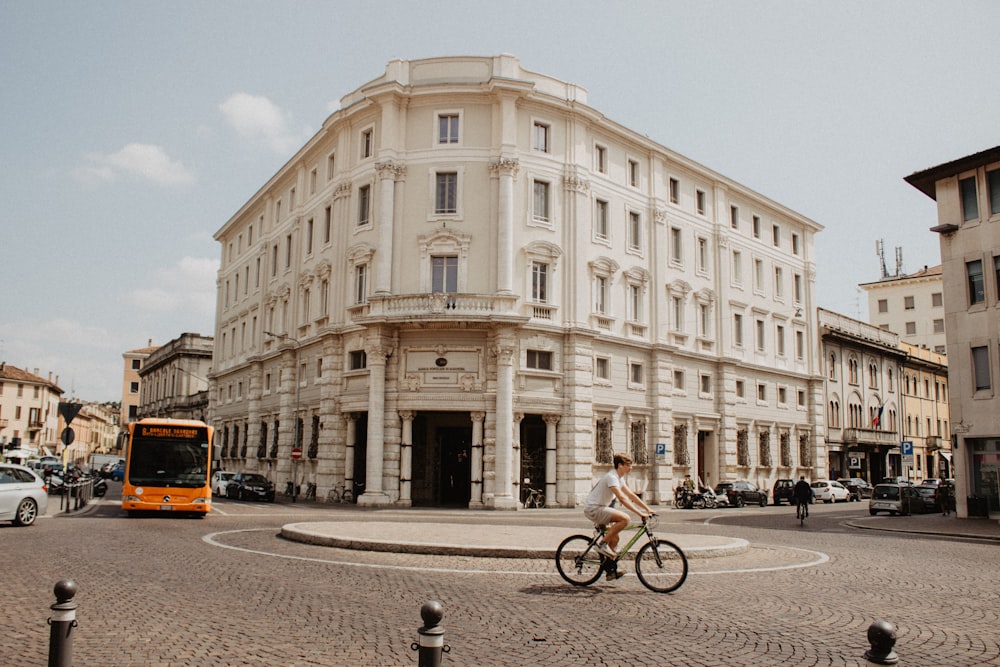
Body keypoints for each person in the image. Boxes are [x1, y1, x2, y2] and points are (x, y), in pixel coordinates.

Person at [583, 452, 652, 581]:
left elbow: (631, 495)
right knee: (625, 519)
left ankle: (610, 571)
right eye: (628, 465)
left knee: (615, 539)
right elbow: (622, 498)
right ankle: (602, 544)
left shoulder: (620, 478)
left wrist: (648, 509)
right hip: (594, 509)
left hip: (601, 508)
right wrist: (640, 513)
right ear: (620, 465)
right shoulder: (612, 477)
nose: (631, 468)